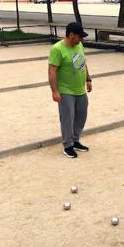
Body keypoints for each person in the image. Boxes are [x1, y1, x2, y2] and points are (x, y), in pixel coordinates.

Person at [48, 22, 93, 158]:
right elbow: (52, 71)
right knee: (68, 118)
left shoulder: (78, 46)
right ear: (71, 35)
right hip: (65, 90)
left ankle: (75, 140)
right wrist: (54, 91)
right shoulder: (57, 49)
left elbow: (82, 64)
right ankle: (68, 145)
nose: (81, 40)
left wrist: (88, 79)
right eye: (80, 36)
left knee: (81, 115)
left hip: (79, 89)